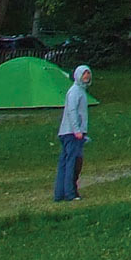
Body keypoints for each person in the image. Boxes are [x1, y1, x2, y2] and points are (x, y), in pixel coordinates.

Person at [54, 64, 91, 202]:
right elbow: (72, 111)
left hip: (68, 132)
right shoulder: (75, 91)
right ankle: (70, 193)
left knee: (65, 163)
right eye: (84, 74)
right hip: (72, 133)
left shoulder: (80, 91)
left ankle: (60, 194)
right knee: (72, 163)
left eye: (88, 74)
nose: (87, 77)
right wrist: (77, 130)